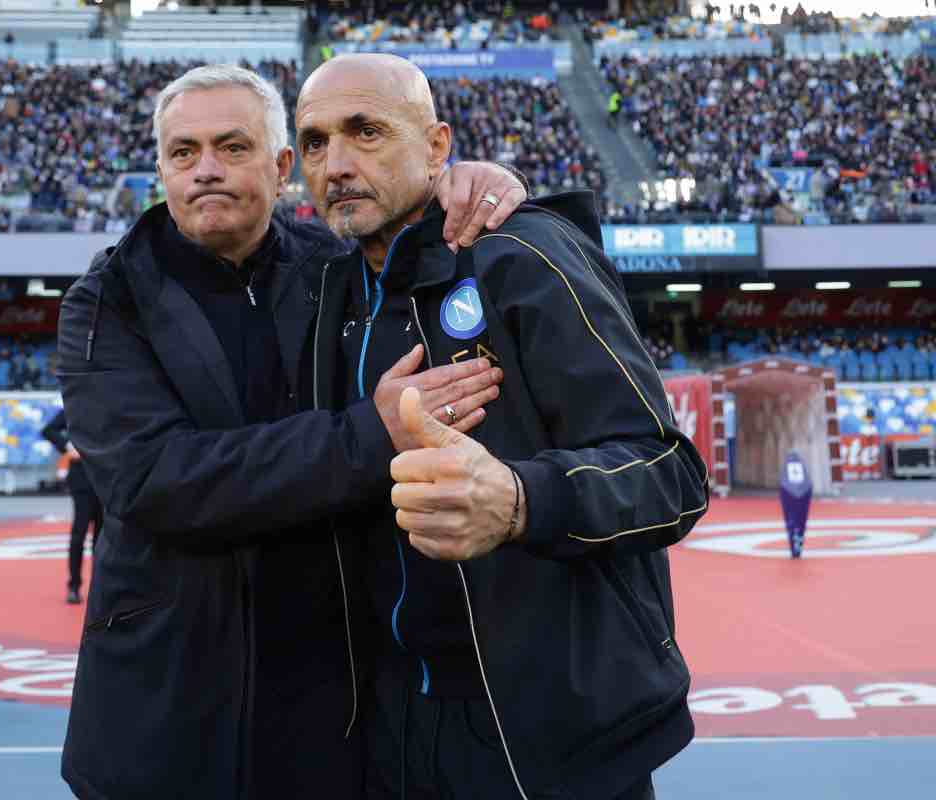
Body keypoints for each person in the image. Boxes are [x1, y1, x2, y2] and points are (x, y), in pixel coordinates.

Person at [57, 64, 525, 800]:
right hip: (164, 714)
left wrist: (477, 181)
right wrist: (371, 435)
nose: (205, 170)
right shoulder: (106, 300)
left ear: (282, 169)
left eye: (231, 147)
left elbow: (419, 223)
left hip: (327, 708)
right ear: (161, 169)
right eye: (183, 152)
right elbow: (152, 480)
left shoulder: (336, 265)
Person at [295, 53, 710, 800]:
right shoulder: (327, 291)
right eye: (316, 141)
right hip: (384, 730)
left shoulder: (522, 254)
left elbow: (670, 474)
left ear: (436, 146)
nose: (337, 163)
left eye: (365, 131)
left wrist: (520, 499)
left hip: (545, 731)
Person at [41, 408, 101, 605]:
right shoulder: (77, 403)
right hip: (82, 479)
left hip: (106, 479)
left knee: (104, 539)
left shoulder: (112, 401)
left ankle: (100, 587)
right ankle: (74, 586)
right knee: (79, 533)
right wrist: (67, 446)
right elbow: (49, 430)